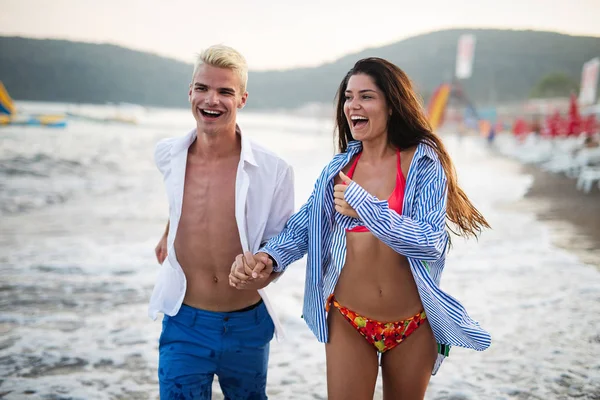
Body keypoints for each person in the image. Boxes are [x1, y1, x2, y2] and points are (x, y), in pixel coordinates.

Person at [230, 57, 491, 399]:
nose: (354, 105)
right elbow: (305, 225)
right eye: (349, 97)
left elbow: (431, 242)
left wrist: (365, 208)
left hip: (414, 322)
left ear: (392, 105)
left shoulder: (423, 161)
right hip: (349, 318)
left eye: (366, 96)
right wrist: (269, 256)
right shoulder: (339, 169)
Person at [149, 44, 294, 399]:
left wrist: (265, 272)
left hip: (247, 322)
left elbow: (283, 246)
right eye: (202, 88)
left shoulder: (273, 169)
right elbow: (181, 197)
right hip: (185, 321)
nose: (211, 100)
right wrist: (169, 231)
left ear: (242, 98)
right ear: (190, 91)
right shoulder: (168, 154)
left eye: (224, 91)